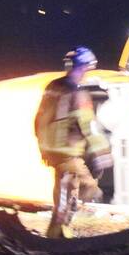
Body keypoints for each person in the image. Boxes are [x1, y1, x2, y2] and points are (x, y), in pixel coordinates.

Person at [35, 46, 111, 239]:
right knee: (87, 188)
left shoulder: (52, 87)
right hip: (68, 153)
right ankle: (58, 233)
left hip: (52, 151)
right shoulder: (78, 94)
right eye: (87, 68)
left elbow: (39, 119)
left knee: (65, 190)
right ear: (84, 67)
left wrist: (43, 146)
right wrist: (102, 152)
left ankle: (59, 231)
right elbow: (89, 126)